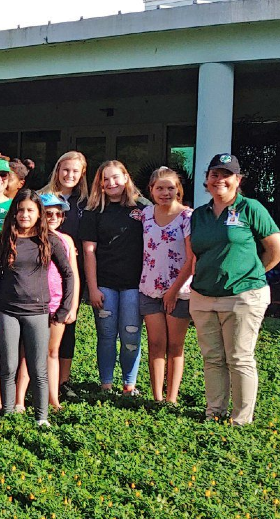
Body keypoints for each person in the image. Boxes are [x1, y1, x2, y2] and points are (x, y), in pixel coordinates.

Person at [189, 154, 280, 425]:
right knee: (213, 358)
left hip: (243, 296)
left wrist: (251, 275)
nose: (220, 180)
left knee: (239, 358)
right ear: (207, 180)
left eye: (226, 175)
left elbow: (274, 250)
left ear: (237, 180)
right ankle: (213, 412)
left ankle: (241, 420)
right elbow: (197, 254)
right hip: (203, 296)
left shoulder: (251, 208)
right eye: (214, 174)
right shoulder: (199, 215)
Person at [0, 190, 74, 427]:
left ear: (39, 214)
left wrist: (64, 309)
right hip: (7, 311)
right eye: (21, 210)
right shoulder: (3, 240)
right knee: (8, 365)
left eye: (30, 210)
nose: (24, 215)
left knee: (39, 367)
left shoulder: (49, 240)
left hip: (38, 312)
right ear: (14, 212)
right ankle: (7, 414)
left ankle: (41, 418)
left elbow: (68, 274)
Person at [81, 160, 149, 396]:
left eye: (116, 177)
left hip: (134, 285)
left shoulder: (142, 208)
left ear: (126, 178)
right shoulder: (93, 212)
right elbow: (89, 252)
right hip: (105, 285)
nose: (112, 183)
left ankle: (129, 385)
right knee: (107, 336)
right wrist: (92, 288)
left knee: (131, 335)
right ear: (99, 184)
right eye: (106, 179)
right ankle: (106, 385)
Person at [135, 168, 194, 404]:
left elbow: (192, 259)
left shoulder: (188, 217)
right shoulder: (145, 214)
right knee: (156, 343)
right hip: (149, 288)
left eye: (170, 187)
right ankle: (157, 397)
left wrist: (172, 292)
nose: (165, 192)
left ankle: (172, 398)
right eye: (159, 188)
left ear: (178, 190)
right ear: (151, 190)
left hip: (179, 291)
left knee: (175, 345)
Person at [20, 193, 80, 411]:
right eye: (48, 213)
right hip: (33, 304)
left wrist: (71, 306)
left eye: (58, 213)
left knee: (52, 352)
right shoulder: (28, 238)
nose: (53, 217)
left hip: (58, 304)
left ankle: (52, 398)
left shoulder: (66, 240)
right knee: (29, 352)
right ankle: (20, 399)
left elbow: (72, 274)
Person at [38, 151, 88, 399]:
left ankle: (61, 382)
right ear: (57, 170)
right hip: (39, 277)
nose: (69, 175)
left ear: (82, 175)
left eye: (75, 171)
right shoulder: (41, 198)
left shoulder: (86, 202)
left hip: (69, 271)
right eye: (65, 169)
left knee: (67, 330)